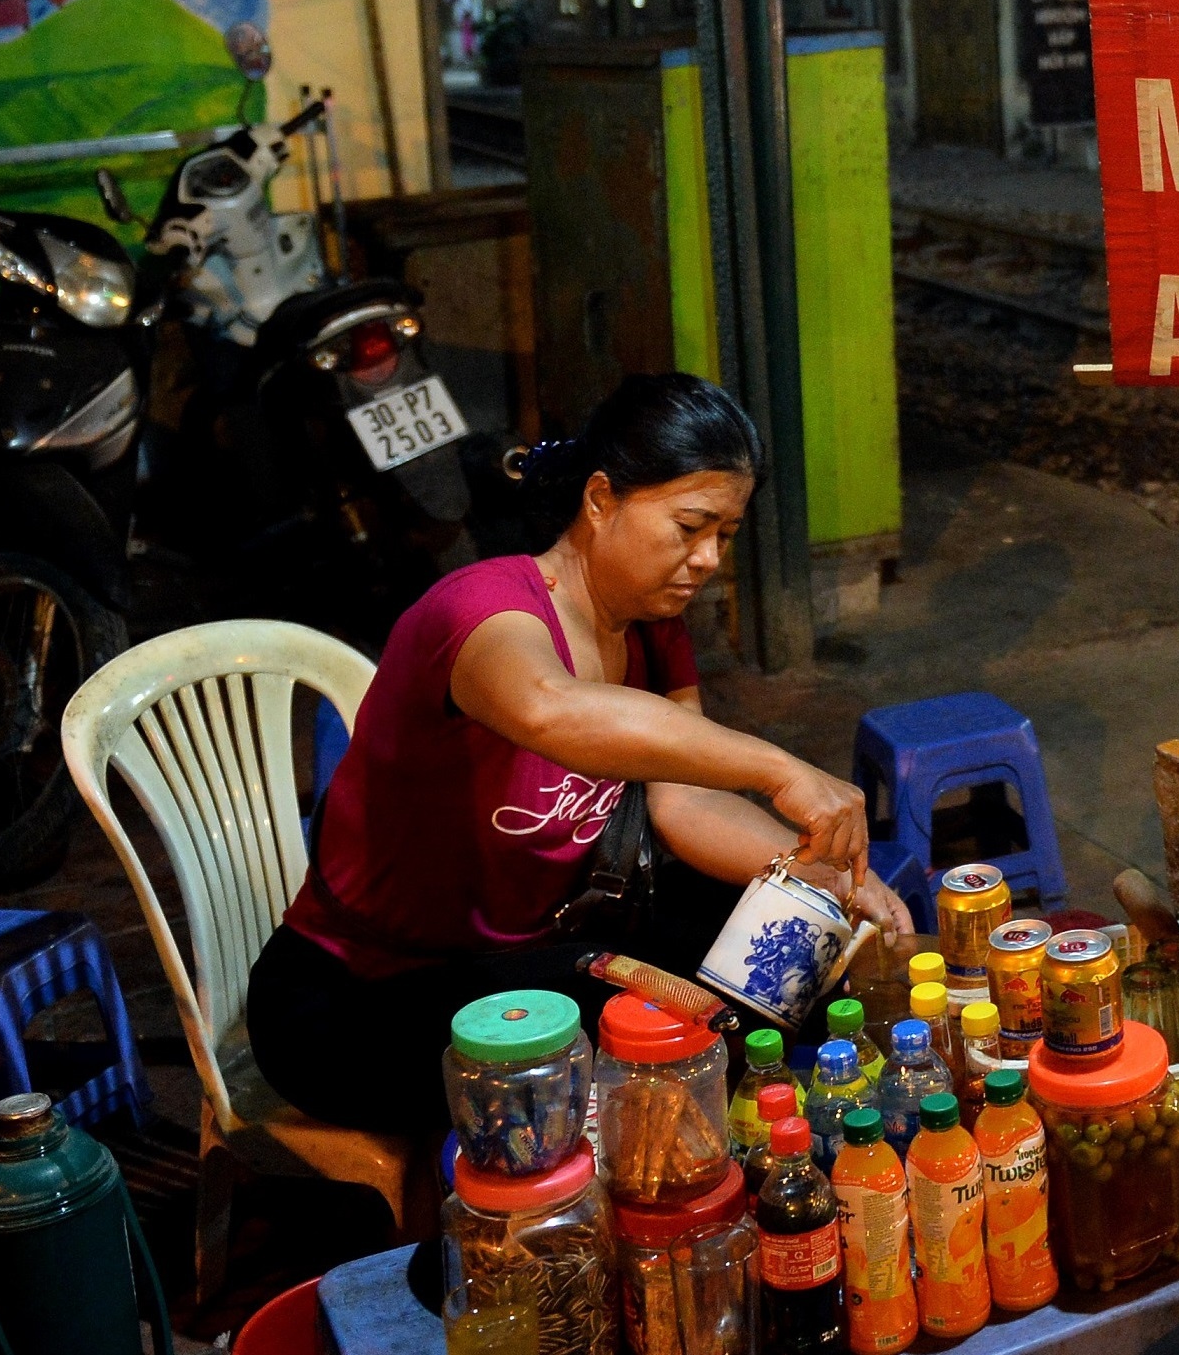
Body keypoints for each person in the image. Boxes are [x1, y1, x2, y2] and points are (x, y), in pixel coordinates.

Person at [246, 371, 915, 1134]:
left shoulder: (651, 628)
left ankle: (799, 1155)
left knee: (793, 947)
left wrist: (820, 875)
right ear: (600, 499)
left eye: (724, 536)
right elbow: (550, 707)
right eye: (689, 525)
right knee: (649, 1033)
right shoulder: (483, 612)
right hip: (360, 1000)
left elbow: (681, 799)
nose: (707, 560)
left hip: (526, 963)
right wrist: (781, 768)